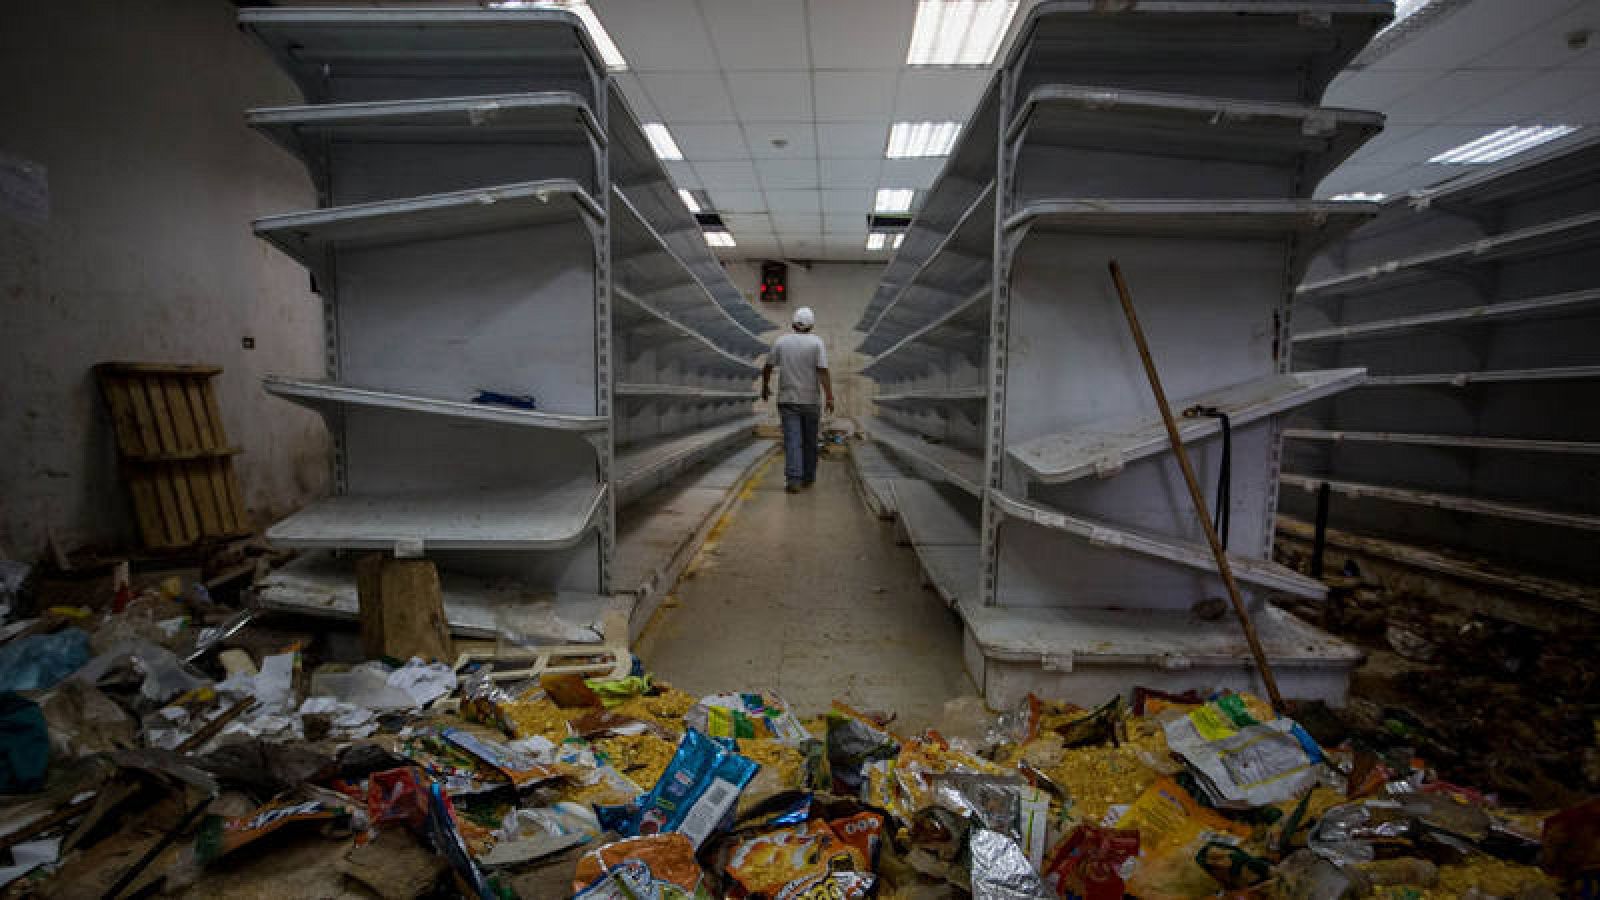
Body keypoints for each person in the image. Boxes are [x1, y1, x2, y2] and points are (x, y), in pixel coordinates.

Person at [761, 306, 835, 493]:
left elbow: (768, 366)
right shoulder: (817, 343)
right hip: (811, 400)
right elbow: (823, 371)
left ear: (793, 323)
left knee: (793, 440)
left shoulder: (781, 341)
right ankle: (808, 477)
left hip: (787, 400)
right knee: (810, 441)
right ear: (812, 326)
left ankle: (794, 480)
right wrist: (829, 396)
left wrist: (765, 386)